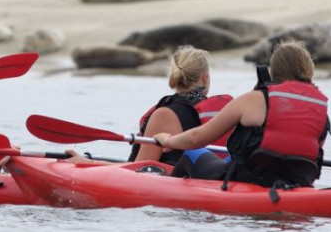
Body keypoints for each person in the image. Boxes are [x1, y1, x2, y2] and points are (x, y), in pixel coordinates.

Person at [154, 41, 330, 188]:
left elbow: (195, 139)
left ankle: (169, 195)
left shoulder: (255, 99)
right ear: (309, 69)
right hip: (297, 183)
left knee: (193, 154)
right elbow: (313, 154)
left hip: (250, 180)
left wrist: (168, 140)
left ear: (274, 71)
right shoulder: (321, 108)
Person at [65, 45, 232, 166]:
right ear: (205, 77)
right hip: (210, 179)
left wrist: (89, 164)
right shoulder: (222, 112)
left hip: (173, 186)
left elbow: (140, 169)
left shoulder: (165, 114)